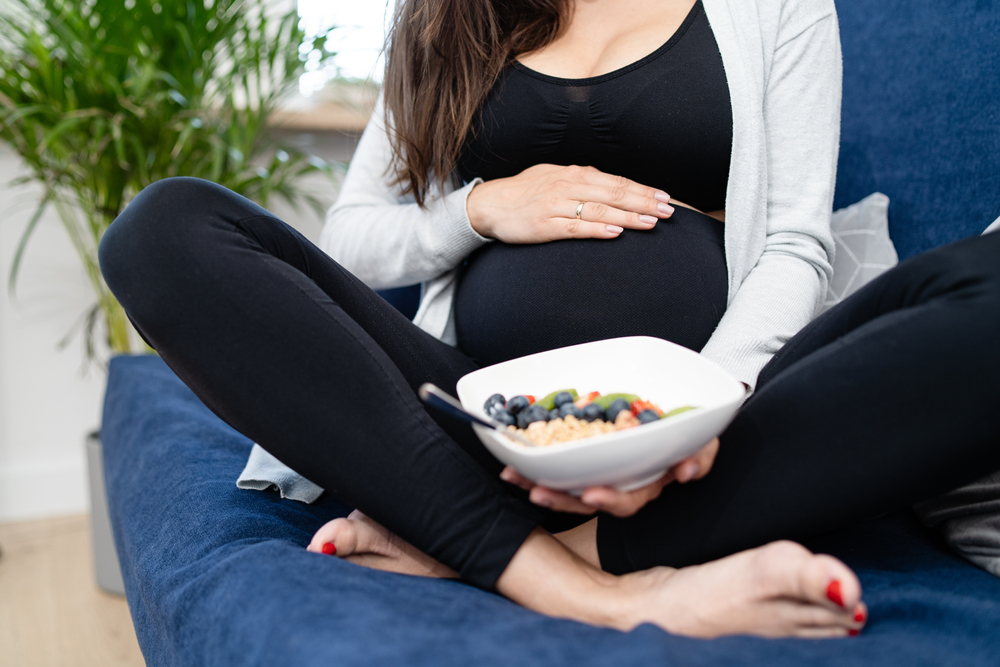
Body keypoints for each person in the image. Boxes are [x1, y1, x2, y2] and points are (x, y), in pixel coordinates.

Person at [97, 0, 1000, 639]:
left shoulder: (776, 7)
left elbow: (796, 245)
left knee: (986, 284)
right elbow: (356, 240)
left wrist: (692, 414)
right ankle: (593, 589)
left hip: (719, 430)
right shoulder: (445, 14)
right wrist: (482, 209)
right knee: (161, 229)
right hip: (475, 421)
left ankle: (516, 542)